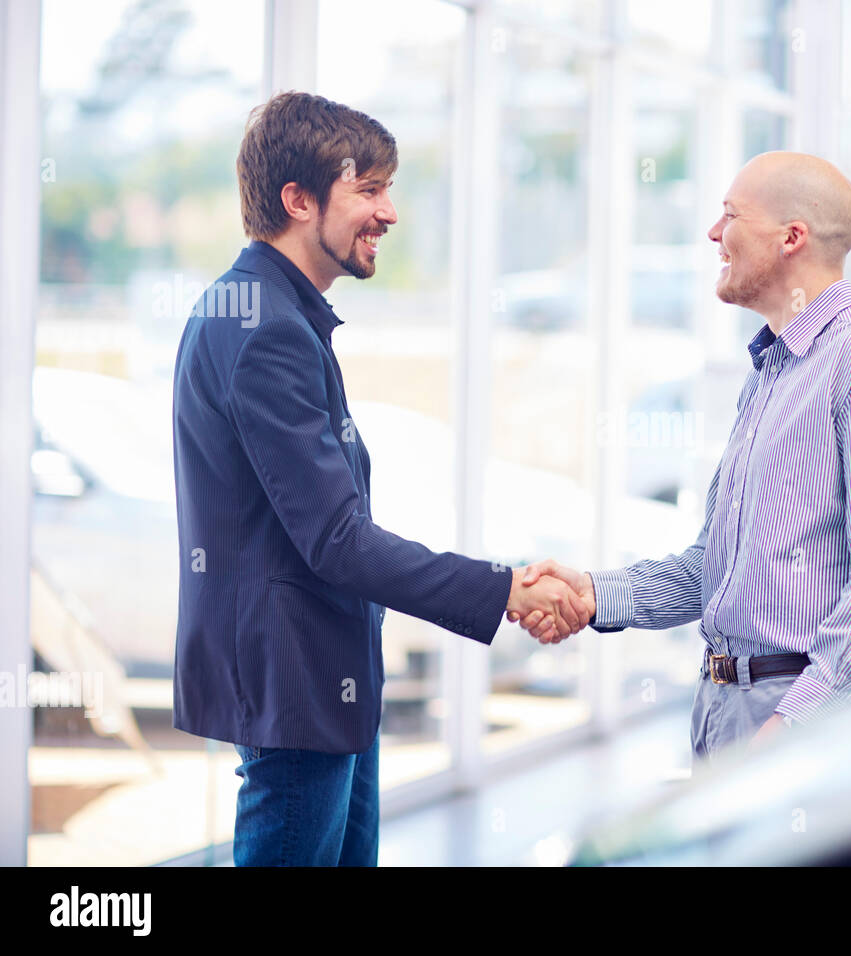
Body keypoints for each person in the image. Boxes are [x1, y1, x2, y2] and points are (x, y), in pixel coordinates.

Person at [171, 92, 588, 866]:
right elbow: (337, 540)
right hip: (297, 691)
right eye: (368, 188)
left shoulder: (271, 313)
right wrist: (505, 590)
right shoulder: (265, 329)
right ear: (298, 200)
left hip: (321, 684)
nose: (390, 212)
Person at [511, 151, 851, 766]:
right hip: (724, 709)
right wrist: (593, 594)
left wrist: (799, 720)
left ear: (792, 238)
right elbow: (713, 568)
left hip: (800, 720)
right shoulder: (773, 371)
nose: (715, 233)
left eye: (731, 214)